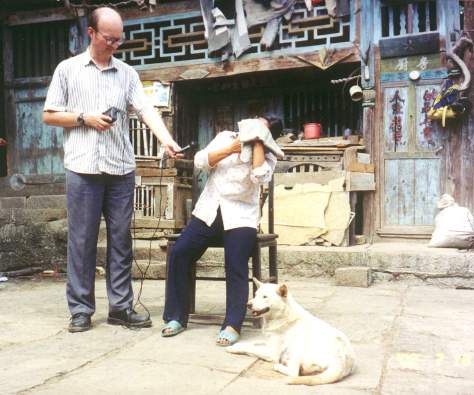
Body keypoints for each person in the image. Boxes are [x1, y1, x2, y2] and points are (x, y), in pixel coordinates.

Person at [43, 7, 181, 333]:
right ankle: (80, 310)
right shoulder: (68, 70)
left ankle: (120, 308)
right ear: (90, 34)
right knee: (81, 241)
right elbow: (49, 115)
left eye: (119, 40)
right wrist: (83, 118)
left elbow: (146, 109)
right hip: (82, 167)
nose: (115, 45)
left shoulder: (127, 74)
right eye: (109, 39)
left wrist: (166, 140)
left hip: (119, 169)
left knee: (121, 242)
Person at [161, 116, 283, 346]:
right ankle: (176, 317)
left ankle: (232, 324)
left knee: (235, 264)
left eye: (260, 128)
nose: (250, 127)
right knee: (180, 253)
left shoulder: (267, 154)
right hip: (209, 210)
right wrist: (233, 148)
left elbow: (260, 176)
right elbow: (201, 161)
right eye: (253, 122)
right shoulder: (226, 137)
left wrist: (256, 144)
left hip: (241, 217)